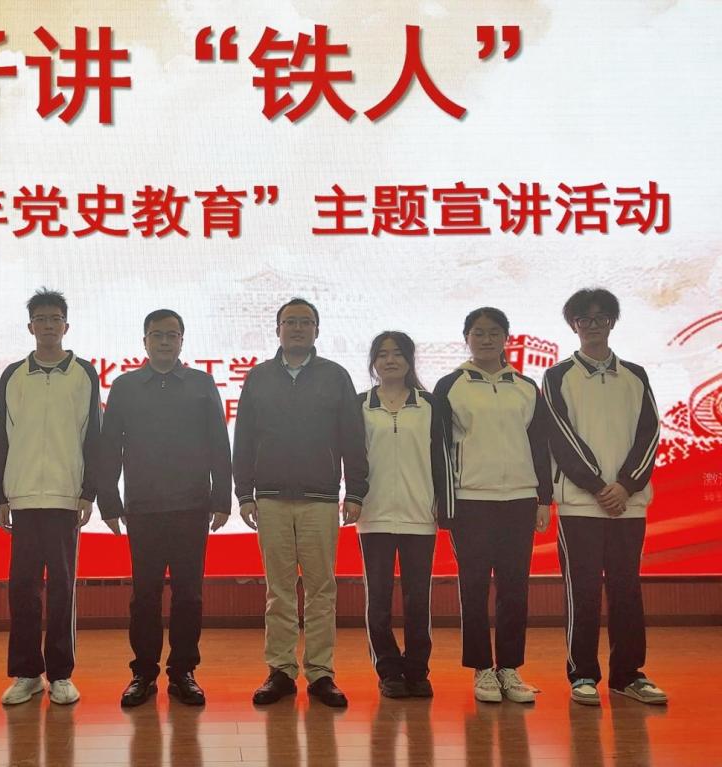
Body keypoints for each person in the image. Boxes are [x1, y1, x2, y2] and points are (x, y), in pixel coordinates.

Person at [233, 297, 368, 708]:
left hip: (320, 499)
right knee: (279, 590)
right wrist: (244, 493)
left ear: (316, 330)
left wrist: (355, 491)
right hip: (270, 499)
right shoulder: (258, 377)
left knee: (321, 588)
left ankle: (321, 673)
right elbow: (244, 438)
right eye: (289, 322)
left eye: (305, 322)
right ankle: (280, 671)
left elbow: (352, 437)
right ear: (277, 330)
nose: (297, 328)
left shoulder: (335, 376)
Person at [99, 309, 232, 708]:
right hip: (143, 507)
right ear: (144, 341)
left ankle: (183, 672)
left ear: (181, 341)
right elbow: (110, 446)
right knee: (145, 595)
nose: (164, 341)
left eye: (172, 335)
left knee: (189, 595)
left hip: (192, 505)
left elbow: (218, 442)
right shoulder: (125, 386)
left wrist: (221, 498)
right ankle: (143, 673)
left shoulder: (201, 384)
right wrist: (109, 501)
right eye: (156, 335)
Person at [543, 288, 666, 706]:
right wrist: (598, 486)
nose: (593, 325)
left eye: (601, 318)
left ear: (612, 322)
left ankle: (628, 675)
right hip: (580, 504)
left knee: (626, 590)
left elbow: (649, 433)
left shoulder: (635, 375)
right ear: (573, 325)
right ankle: (582, 675)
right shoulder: (558, 376)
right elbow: (560, 436)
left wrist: (626, 485)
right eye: (584, 318)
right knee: (582, 591)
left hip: (628, 505)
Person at [433, 308, 551, 704]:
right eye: (478, 332)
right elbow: (439, 449)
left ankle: (510, 668)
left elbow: (540, 445)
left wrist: (543, 498)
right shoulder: (451, 385)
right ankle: (482, 668)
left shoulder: (526, 386)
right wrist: (446, 503)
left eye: (494, 332)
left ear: (506, 338)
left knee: (515, 588)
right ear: (466, 337)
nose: (486, 339)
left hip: (519, 499)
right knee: (474, 587)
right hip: (472, 500)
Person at [0, 289, 101, 706]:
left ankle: (60, 674)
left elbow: (93, 435)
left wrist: (88, 491)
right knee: (22, 588)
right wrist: (1, 493)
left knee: (61, 588)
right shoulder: (13, 375)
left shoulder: (83, 373)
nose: (48, 325)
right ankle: (26, 673)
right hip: (22, 497)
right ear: (30, 327)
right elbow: (2, 435)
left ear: (66, 326)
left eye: (55, 318)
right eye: (41, 319)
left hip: (64, 496)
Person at [357, 331, 453, 699]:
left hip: (419, 514)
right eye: (382, 354)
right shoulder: (360, 404)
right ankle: (388, 671)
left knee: (418, 599)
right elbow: (354, 458)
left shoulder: (431, 404)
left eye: (397, 354)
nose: (390, 360)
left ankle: (416, 670)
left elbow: (442, 457)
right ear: (373, 362)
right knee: (378, 599)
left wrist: (443, 503)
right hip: (375, 514)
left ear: (410, 360)